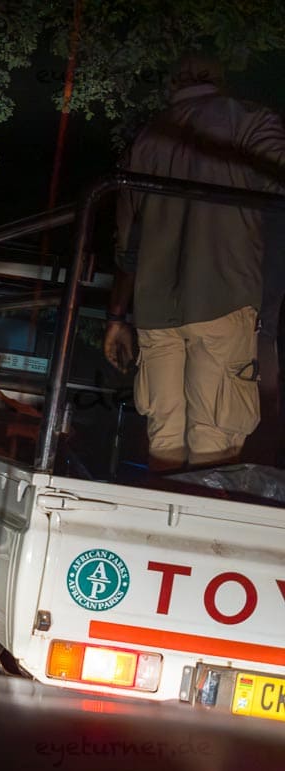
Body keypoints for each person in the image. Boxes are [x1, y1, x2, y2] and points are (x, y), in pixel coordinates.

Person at [105, 54, 285, 472]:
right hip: (224, 297)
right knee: (215, 441)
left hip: (153, 311)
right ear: (221, 78)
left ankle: (164, 521)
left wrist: (117, 317)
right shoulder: (251, 120)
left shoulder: (148, 137)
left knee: (164, 438)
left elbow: (126, 239)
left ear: (172, 83)